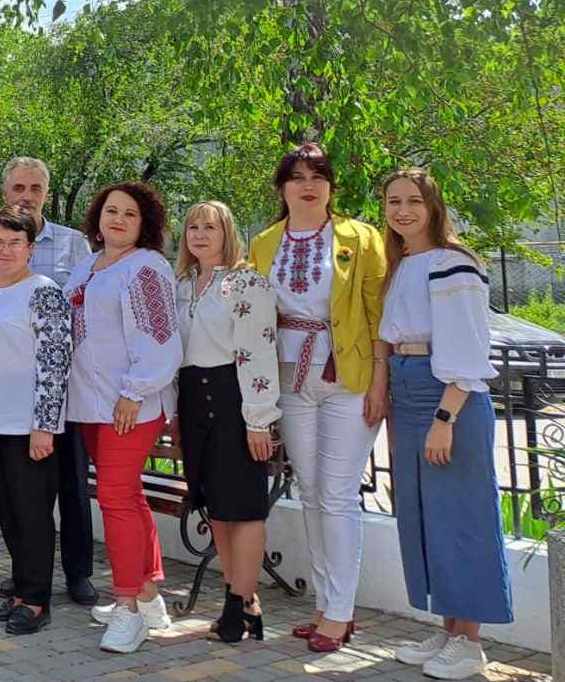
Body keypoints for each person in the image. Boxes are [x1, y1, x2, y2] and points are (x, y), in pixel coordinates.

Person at [249, 144, 387, 654]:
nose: (308, 185)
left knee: (338, 494)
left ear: (331, 186)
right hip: (289, 378)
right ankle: (326, 605)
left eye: (318, 176)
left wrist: (380, 381)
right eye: (297, 176)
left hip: (348, 376)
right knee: (310, 492)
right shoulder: (263, 243)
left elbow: (378, 314)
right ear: (281, 188)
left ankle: (342, 611)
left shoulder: (360, 237)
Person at [378, 168, 510, 679]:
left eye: (414, 201)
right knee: (426, 515)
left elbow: (468, 348)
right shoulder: (402, 264)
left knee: (461, 515)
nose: (403, 211)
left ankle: (471, 641)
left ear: (434, 206)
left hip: (446, 395)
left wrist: (445, 417)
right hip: (409, 386)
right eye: (393, 201)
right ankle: (449, 628)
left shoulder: (454, 264)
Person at [0, 156, 98, 607]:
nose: (27, 196)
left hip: (61, 387)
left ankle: (78, 573)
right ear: (6, 192)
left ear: (47, 193)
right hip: (5, 401)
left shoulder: (72, 244)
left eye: (35, 188)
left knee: (70, 485)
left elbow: (86, 311)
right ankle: (26, 570)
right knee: (21, 493)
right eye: (18, 188)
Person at [64, 182, 183, 653]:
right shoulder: (87, 265)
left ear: (144, 223)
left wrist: (136, 390)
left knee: (114, 499)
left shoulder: (146, 267)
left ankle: (128, 607)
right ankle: (150, 598)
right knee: (127, 496)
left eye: (129, 214)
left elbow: (160, 336)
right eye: (111, 210)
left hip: (130, 404)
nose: (118, 219)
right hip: (89, 405)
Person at [172, 201, 280, 645]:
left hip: (234, 397)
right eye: (192, 227)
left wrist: (258, 419)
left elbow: (258, 351)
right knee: (216, 506)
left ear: (227, 233)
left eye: (210, 227)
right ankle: (244, 601)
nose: (200, 234)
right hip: (193, 398)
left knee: (245, 506)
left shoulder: (246, 282)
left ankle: (237, 605)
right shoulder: (181, 284)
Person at [0, 207, 73, 636]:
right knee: (8, 511)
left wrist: (44, 425)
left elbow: (55, 361)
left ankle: (37, 600)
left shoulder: (43, 292)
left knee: (31, 513)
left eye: (15, 242)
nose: (5, 250)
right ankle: (21, 587)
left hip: (26, 425)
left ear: (30, 248)